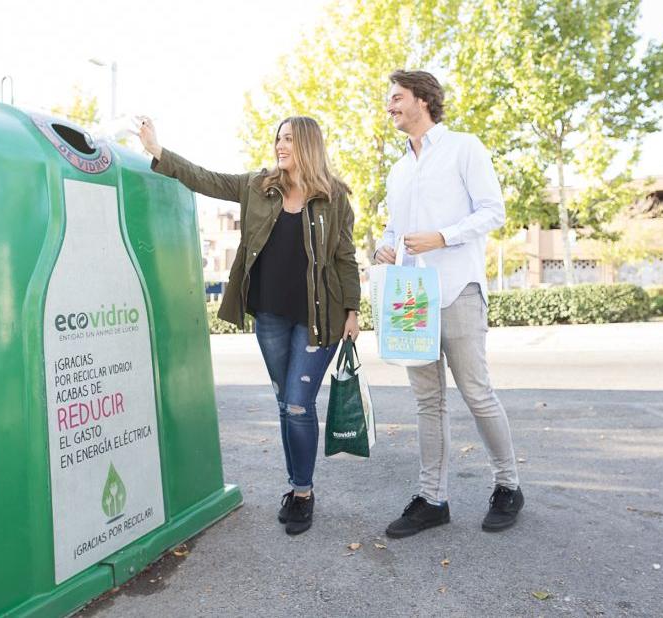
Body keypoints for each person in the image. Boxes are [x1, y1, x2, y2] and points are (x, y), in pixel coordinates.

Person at [135, 115, 361, 535]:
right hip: (271, 315)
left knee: (297, 403)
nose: (280, 145)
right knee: (285, 404)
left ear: (308, 145)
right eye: (278, 139)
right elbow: (205, 179)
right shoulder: (259, 187)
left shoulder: (334, 197)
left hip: (319, 317)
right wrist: (159, 152)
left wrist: (353, 309)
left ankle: (303, 493)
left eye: (289, 139)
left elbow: (345, 257)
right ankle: (297, 487)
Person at [374, 70, 523, 537]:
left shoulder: (464, 147)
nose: (390, 106)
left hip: (457, 289)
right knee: (427, 402)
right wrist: (384, 245)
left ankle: (508, 486)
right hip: (411, 300)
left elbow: (492, 211)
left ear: (422, 99)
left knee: (477, 394)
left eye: (397, 98)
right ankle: (432, 499)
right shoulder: (398, 169)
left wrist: (443, 236)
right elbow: (395, 229)